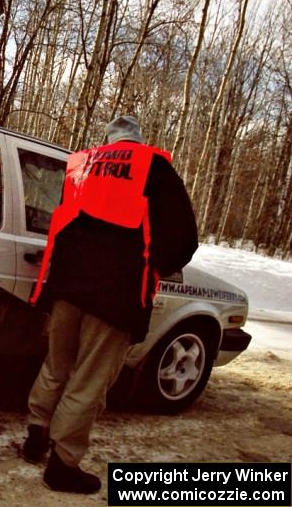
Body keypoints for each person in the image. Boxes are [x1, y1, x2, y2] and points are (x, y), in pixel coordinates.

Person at [21, 115, 198, 494]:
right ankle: (62, 464)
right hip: (115, 293)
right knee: (89, 379)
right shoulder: (153, 166)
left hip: (67, 285)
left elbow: (64, 222)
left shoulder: (83, 164)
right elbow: (184, 236)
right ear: (137, 140)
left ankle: (36, 436)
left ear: (108, 140)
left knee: (57, 365)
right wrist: (153, 267)